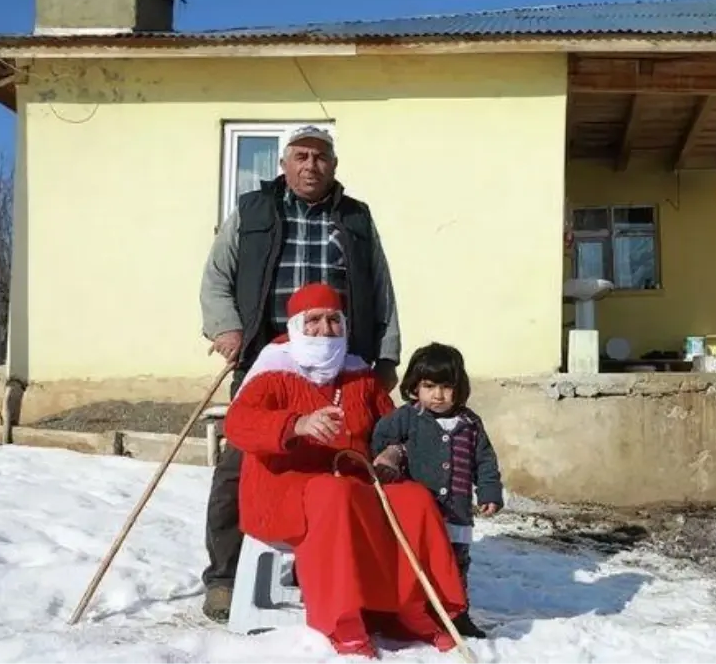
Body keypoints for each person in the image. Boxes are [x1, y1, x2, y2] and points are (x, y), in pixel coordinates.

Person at [198, 125, 402, 622]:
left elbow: (381, 287)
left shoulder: (356, 218)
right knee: (240, 463)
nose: (312, 165)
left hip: (338, 355)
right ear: (284, 163)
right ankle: (224, 577)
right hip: (268, 353)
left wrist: (387, 355)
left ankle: (330, 565)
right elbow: (216, 277)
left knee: (339, 457)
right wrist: (226, 329)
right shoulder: (251, 211)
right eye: (302, 156)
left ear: (334, 165)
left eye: (322, 157)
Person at [223, 283, 466, 658]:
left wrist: (392, 453)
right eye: (314, 320)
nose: (325, 329)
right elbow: (238, 425)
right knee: (333, 494)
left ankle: (414, 608)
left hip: (354, 479)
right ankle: (342, 618)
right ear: (297, 326)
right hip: (282, 489)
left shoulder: (359, 375)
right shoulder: (273, 369)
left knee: (412, 499)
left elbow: (395, 426)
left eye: (334, 320)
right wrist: (296, 425)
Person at [372, 342, 505, 639]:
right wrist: (392, 457)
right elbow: (380, 439)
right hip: (420, 512)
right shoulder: (408, 417)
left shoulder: (470, 423)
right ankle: (414, 610)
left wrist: (489, 492)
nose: (438, 395)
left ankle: (458, 613)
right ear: (415, 387)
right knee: (418, 562)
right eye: (429, 386)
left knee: (456, 565)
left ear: (459, 388)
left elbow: (485, 460)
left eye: (446, 386)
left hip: (456, 511)